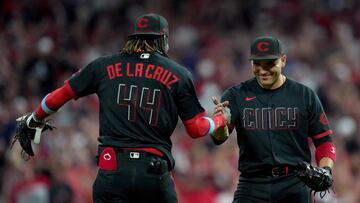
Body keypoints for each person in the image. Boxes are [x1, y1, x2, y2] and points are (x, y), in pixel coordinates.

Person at [13, 13, 230, 203]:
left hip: (112, 170)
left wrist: (34, 118)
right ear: (163, 40)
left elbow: (61, 95)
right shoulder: (178, 74)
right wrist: (219, 121)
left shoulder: (103, 65)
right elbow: (196, 128)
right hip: (153, 174)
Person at [210, 36, 336, 203]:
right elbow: (219, 139)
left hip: (295, 182)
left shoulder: (304, 95)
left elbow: (324, 140)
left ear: (283, 60)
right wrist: (220, 126)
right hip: (253, 183)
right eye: (257, 64)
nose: (262, 70)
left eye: (269, 63)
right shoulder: (236, 95)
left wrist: (326, 169)